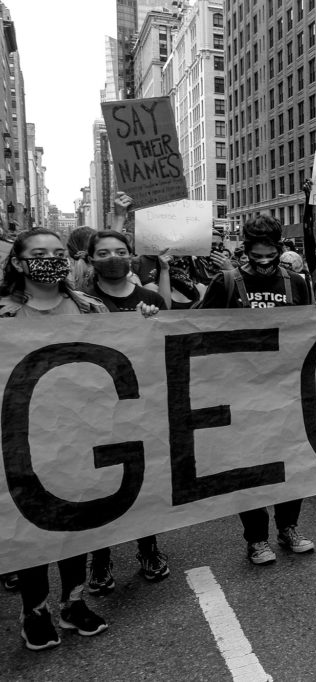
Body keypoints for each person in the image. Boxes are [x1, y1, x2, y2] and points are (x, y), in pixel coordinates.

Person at [0, 229, 157, 650]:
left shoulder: (89, 307)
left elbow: (128, 354)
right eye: (38, 254)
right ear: (18, 262)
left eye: (57, 252)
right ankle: (35, 611)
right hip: (21, 440)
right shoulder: (3, 314)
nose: (49, 260)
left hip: (84, 432)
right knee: (30, 529)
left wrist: (144, 323)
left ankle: (72, 601)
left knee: (76, 521)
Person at [195, 214, 316, 564]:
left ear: (279, 245)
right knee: (249, 469)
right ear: (246, 247)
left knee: (291, 464)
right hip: (239, 394)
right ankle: (256, 538)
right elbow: (193, 328)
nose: (263, 255)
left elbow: (310, 332)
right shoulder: (225, 282)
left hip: (286, 390)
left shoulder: (298, 284)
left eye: (269, 248)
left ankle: (288, 527)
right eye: (256, 249)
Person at [80, 230, 172, 590]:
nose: (113, 258)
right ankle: (99, 559)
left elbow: (169, 344)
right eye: (103, 253)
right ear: (90, 260)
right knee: (99, 485)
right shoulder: (81, 302)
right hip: (95, 407)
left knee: (143, 481)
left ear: (133, 256)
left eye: (120, 251)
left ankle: (148, 547)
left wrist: (151, 323)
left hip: (143, 404)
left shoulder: (150, 299)